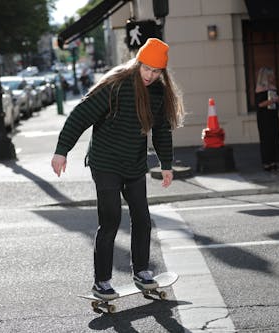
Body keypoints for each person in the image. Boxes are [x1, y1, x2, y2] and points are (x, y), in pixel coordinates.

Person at [51, 38, 184, 300]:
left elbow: (161, 131)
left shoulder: (157, 92)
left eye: (156, 72)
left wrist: (166, 164)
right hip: (105, 163)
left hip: (134, 164)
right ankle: (102, 281)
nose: (150, 75)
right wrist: (61, 150)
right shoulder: (117, 85)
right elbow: (81, 115)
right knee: (110, 219)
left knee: (143, 219)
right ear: (139, 63)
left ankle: (142, 271)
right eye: (146, 68)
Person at [255, 67, 279, 172]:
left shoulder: (273, 87)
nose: (273, 77)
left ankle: (274, 161)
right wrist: (272, 101)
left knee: (275, 138)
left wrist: (275, 100)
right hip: (264, 117)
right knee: (266, 139)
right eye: (271, 76)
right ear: (266, 76)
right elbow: (260, 104)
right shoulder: (260, 89)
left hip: (273, 115)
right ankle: (267, 163)